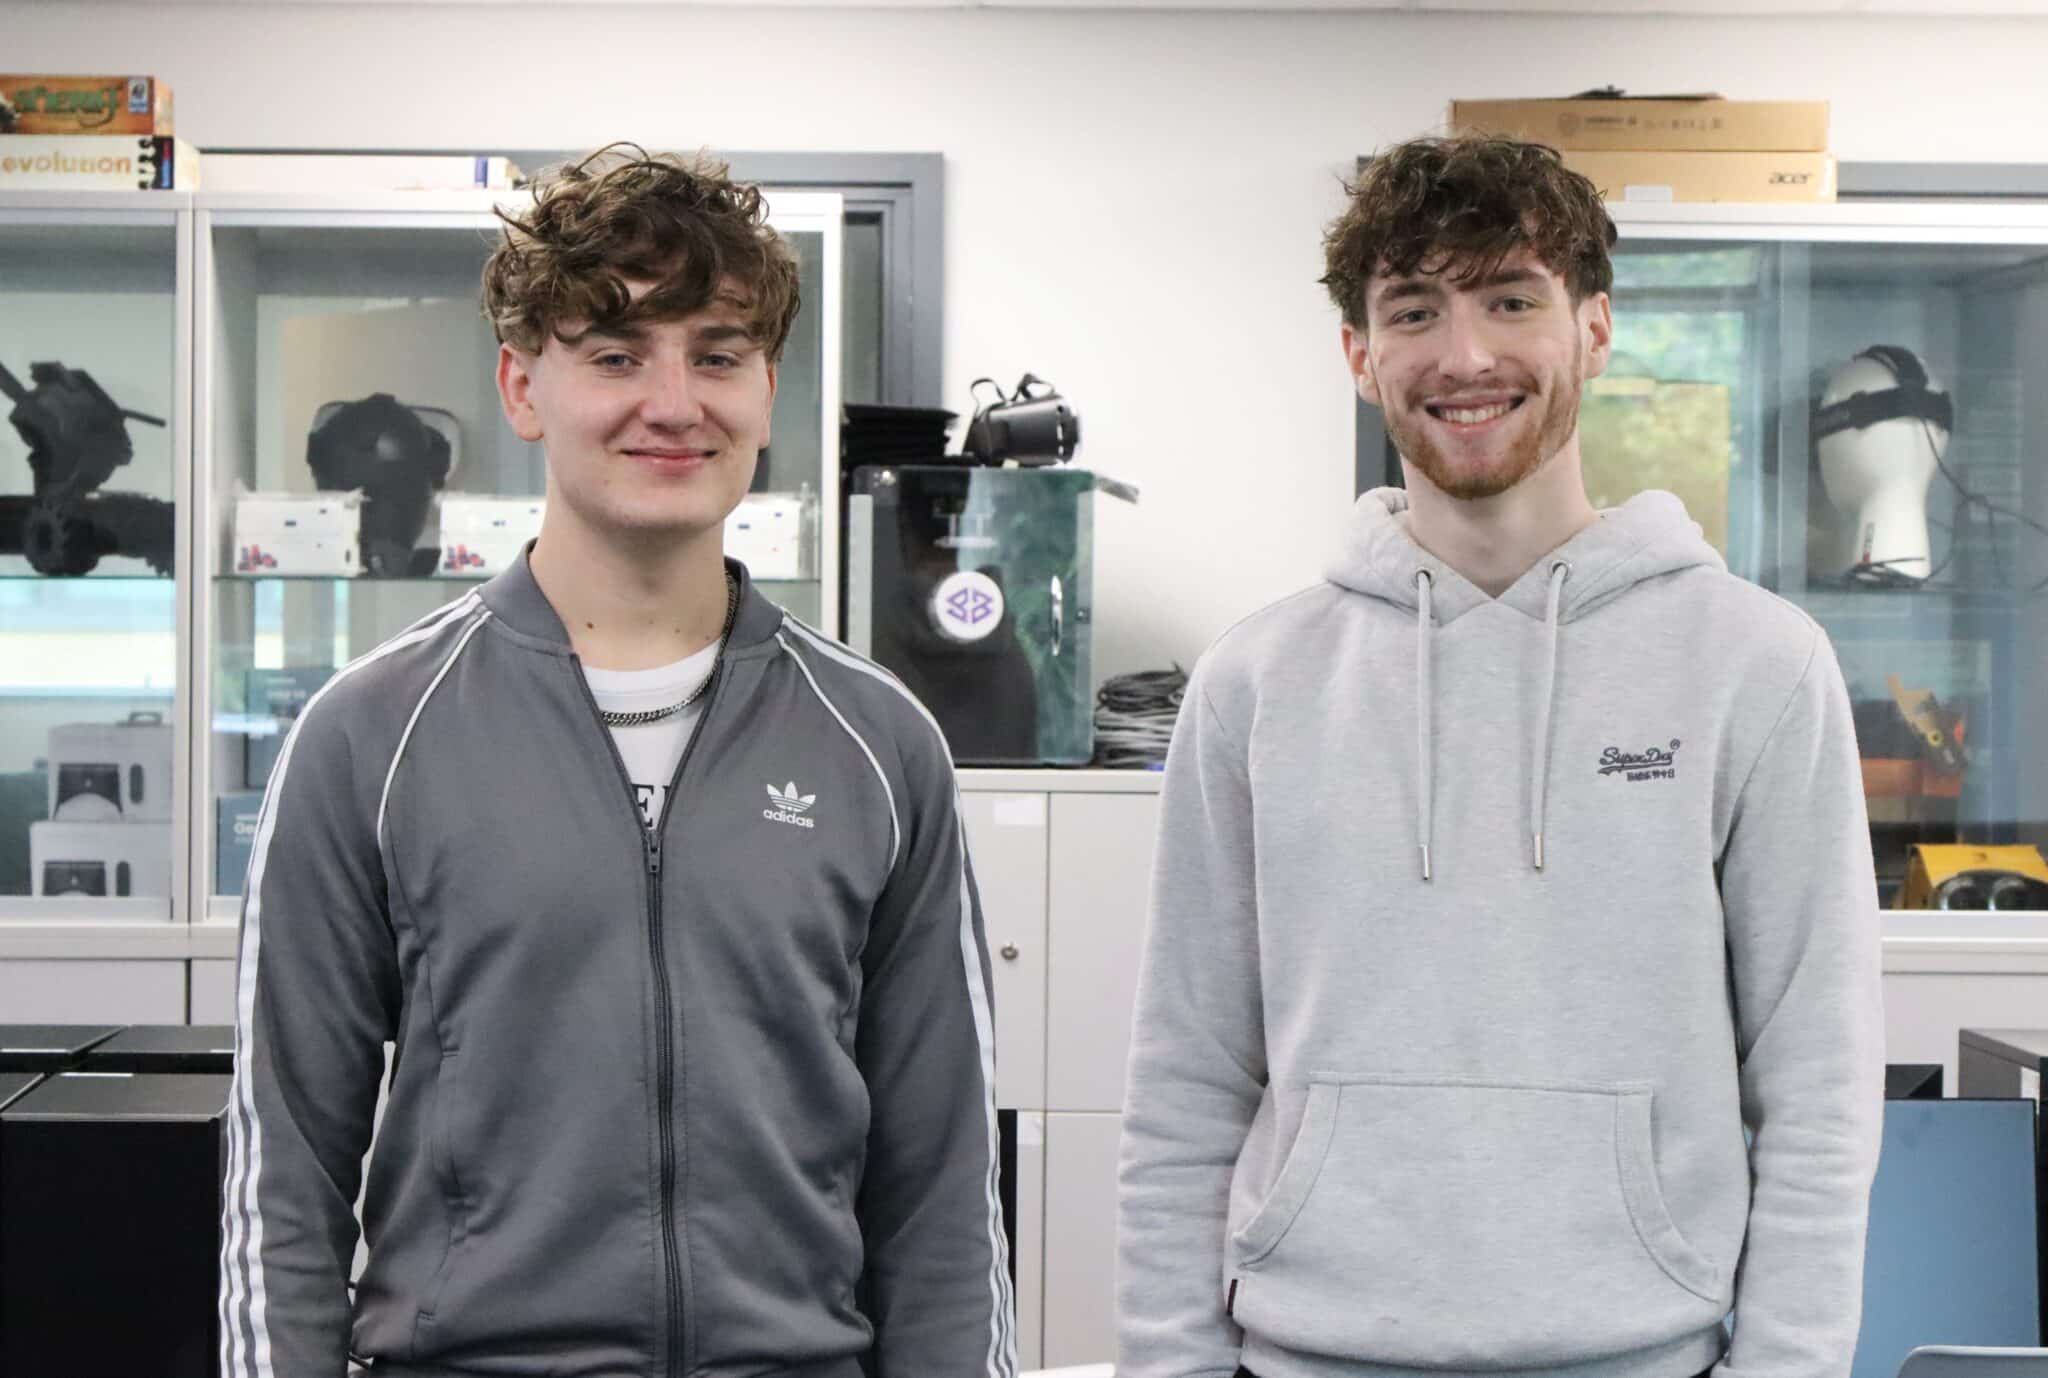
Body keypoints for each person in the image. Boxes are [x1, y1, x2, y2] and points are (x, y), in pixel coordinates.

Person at [218, 144, 1015, 1378]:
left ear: (765, 386)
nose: (673, 400)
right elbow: (286, 1173)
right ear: (522, 387)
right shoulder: (368, 735)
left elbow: (942, 1181)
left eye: (717, 352)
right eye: (614, 353)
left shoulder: (877, 740)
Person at [1116, 133, 1882, 1378]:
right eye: (1413, 309)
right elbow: (1184, 1084)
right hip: (1298, 1354)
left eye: (1509, 298)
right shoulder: (1253, 682)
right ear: (1360, 356)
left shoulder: (1757, 665)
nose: (1463, 355)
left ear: (1592, 327)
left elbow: (1816, 1092)